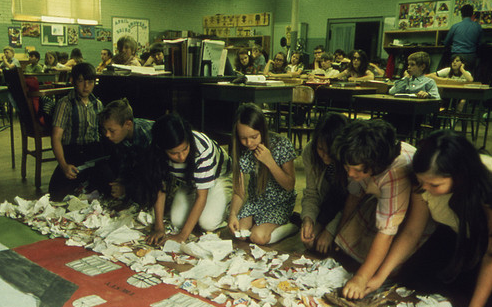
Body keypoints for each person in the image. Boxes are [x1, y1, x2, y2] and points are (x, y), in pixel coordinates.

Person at [348, 131, 492, 307]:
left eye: (434, 185)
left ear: (459, 177)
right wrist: (380, 277)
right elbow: (411, 232)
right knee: (414, 282)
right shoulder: (423, 181)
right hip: (456, 232)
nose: (424, 188)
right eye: (422, 182)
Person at [333, 119, 417, 298]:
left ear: (375, 165)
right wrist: (340, 233)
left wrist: (361, 278)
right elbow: (354, 196)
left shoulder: (395, 172)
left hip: (410, 216)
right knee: (347, 253)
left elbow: (387, 233)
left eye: (356, 170)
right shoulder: (361, 157)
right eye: (347, 167)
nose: (350, 174)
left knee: (389, 271)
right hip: (383, 202)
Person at [145, 113, 232, 246]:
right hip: (190, 181)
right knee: (177, 221)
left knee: (208, 222)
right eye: (174, 153)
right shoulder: (156, 151)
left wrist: (182, 236)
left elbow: (201, 196)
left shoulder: (202, 149)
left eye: (185, 149)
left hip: (220, 177)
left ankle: (232, 200)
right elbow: (160, 188)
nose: (181, 157)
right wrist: (159, 227)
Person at [228, 103, 298, 245]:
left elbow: (290, 185)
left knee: (258, 238)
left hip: (279, 203)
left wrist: (270, 162)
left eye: (254, 137)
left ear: (263, 131)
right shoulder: (241, 149)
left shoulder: (281, 144)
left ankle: (293, 225)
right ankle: (259, 225)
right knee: (240, 233)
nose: (248, 143)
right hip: (256, 201)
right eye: (243, 138)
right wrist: (233, 214)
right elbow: (239, 192)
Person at [48, 62, 110, 201]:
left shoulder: (98, 104)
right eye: (81, 81)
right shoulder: (65, 104)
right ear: (73, 81)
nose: (86, 86)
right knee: (56, 193)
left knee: (107, 184)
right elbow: (56, 137)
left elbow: (105, 134)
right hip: (72, 154)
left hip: (94, 154)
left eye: (90, 82)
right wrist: (64, 166)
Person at [300, 113, 349, 254]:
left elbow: (354, 201)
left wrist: (330, 230)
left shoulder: (349, 155)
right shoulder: (310, 151)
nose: (325, 156)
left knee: (337, 248)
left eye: (330, 152)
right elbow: (311, 193)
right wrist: (308, 219)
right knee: (311, 242)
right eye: (320, 149)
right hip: (328, 204)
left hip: (350, 208)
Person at [98, 98, 154, 202]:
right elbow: (126, 162)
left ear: (128, 125)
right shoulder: (120, 136)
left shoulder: (147, 135)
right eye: (105, 130)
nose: (107, 135)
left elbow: (153, 175)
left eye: (111, 130)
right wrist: (120, 181)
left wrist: (127, 188)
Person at [444, 4, 482, 77]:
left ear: (461, 14)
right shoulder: (477, 26)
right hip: (470, 57)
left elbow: (446, 43)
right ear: (472, 14)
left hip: (456, 56)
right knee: (469, 76)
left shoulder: (455, 26)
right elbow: (480, 44)